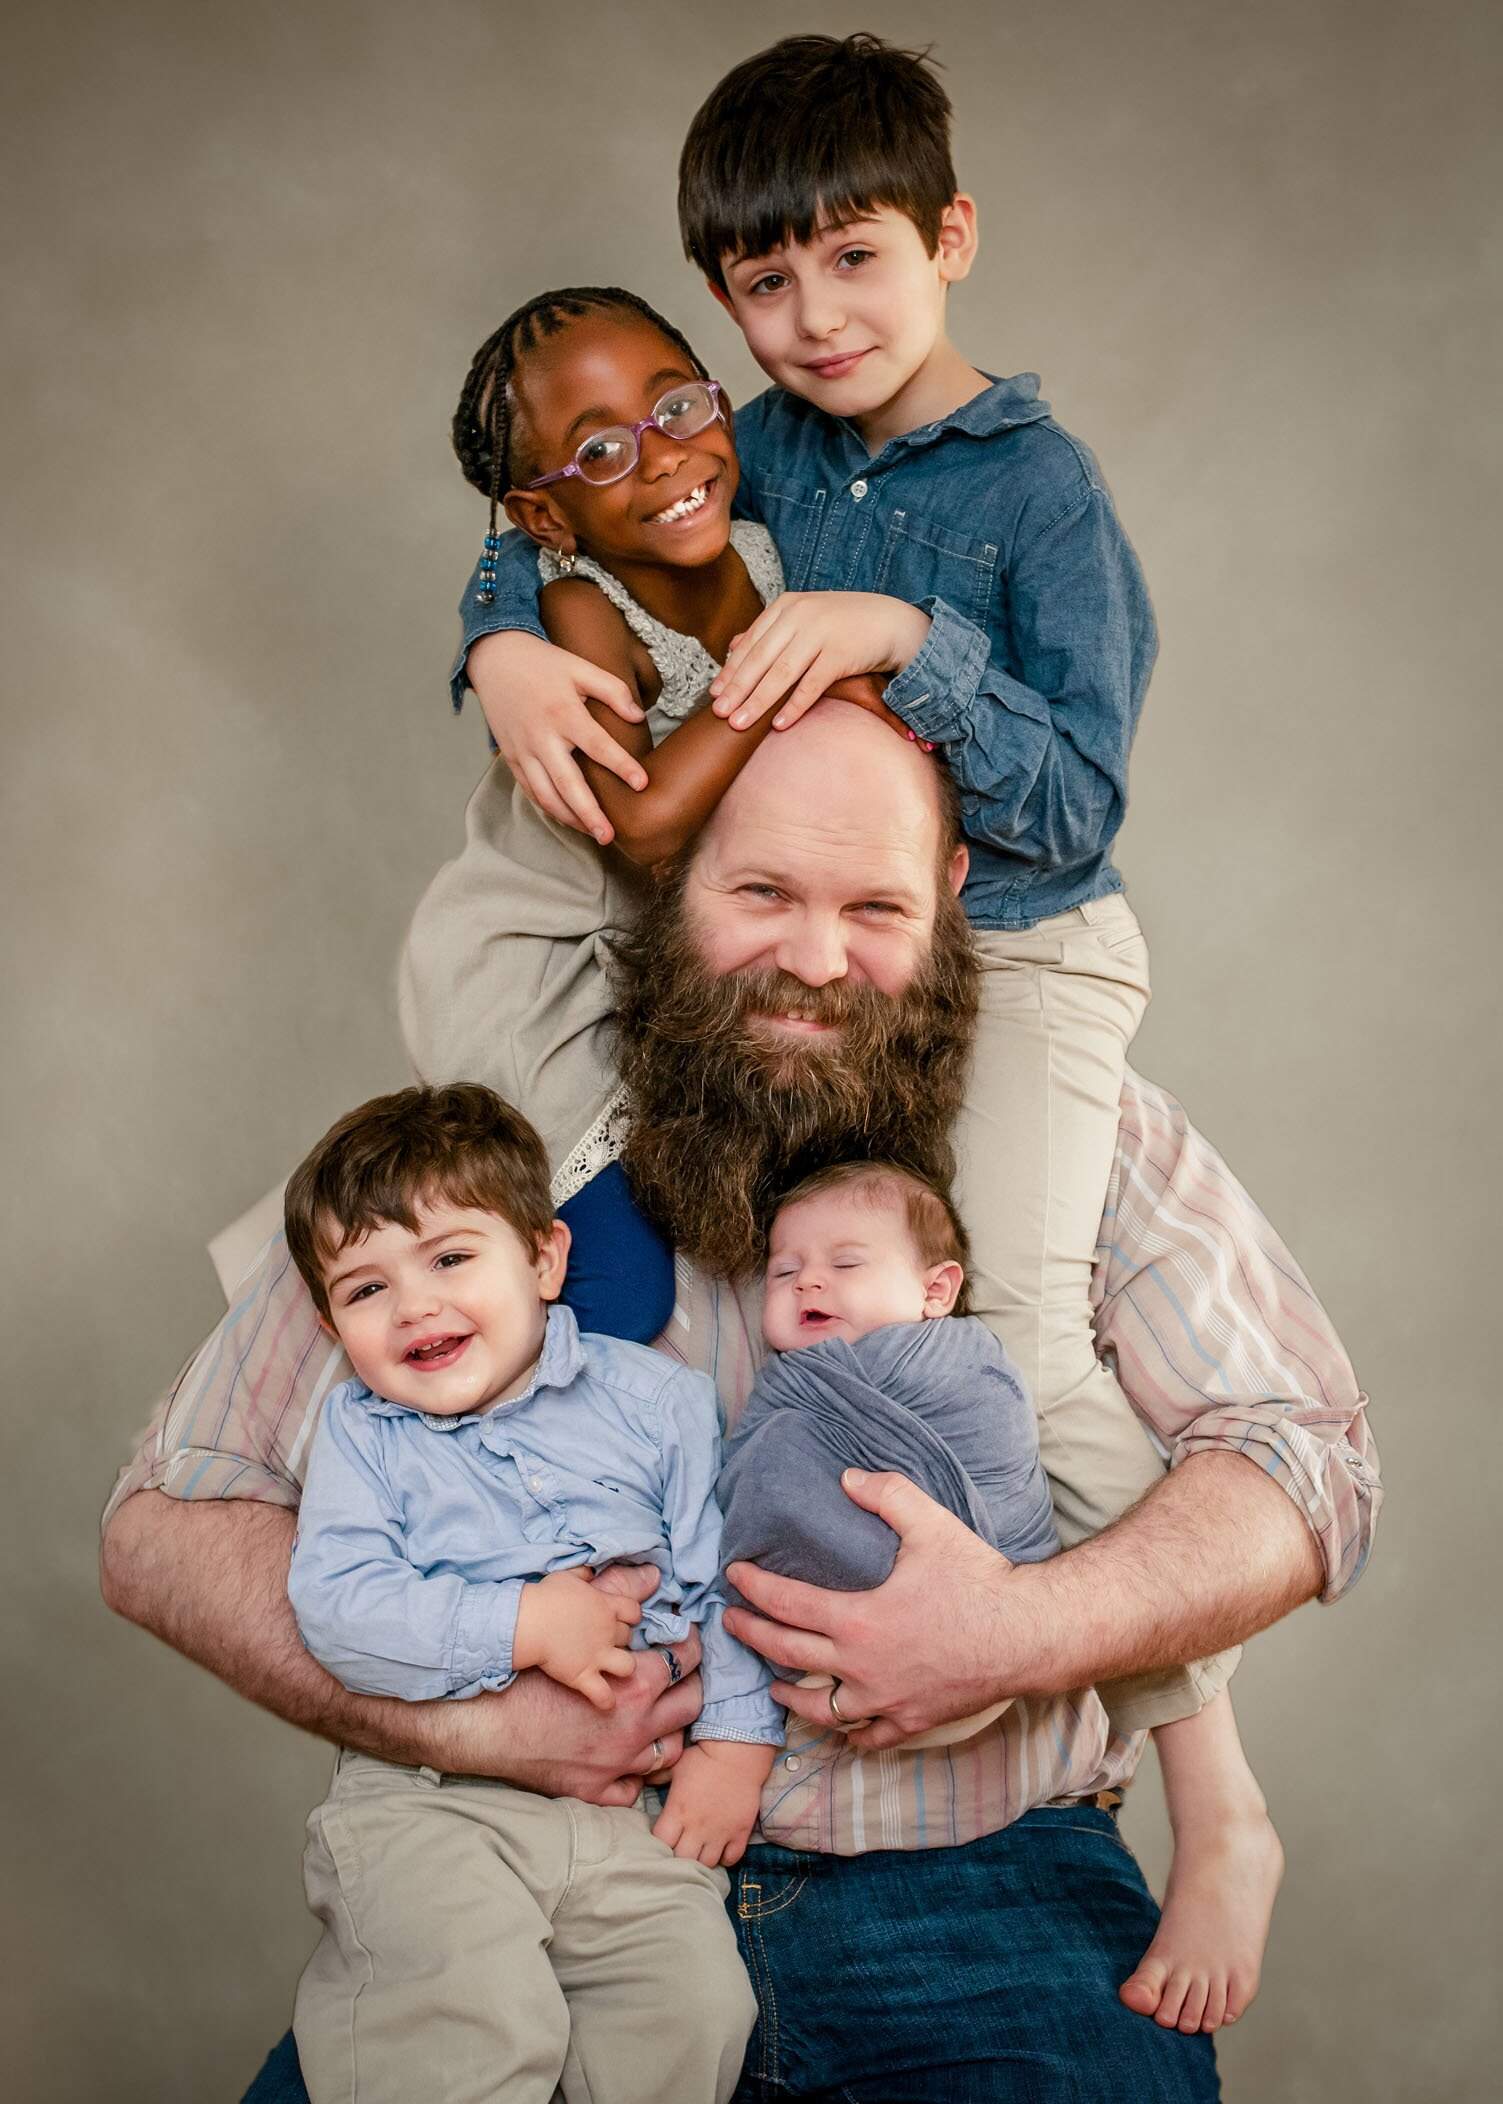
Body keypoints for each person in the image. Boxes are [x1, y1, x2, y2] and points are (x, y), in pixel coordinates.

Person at [102, 700, 1381, 2100]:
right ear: (668, 874)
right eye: (760, 891)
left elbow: (1302, 1463)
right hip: (541, 1867)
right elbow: (163, 1524)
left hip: (971, 1892)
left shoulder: (1066, 1130)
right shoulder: (501, 1147)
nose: (814, 962)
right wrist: (471, 1725)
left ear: (949, 894)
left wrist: (1021, 1630)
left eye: (874, 905)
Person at [439, 32, 1277, 2024]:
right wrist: (490, 623)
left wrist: (911, 643)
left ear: (949, 237)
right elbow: (591, 512)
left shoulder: (1040, 491)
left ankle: (1210, 1784)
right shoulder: (764, 443)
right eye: (761, 284)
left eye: (854, 264)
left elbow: (1071, 805)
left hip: (1027, 945)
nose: (809, 322)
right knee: (778, 1311)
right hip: (832, 967)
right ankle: (727, 1711)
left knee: (1027, 1350)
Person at [279, 1082, 779, 2104]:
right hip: (430, 1802)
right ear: (331, 1319)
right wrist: (522, 1622)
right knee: (467, 2019)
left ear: (545, 1260)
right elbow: (337, 1604)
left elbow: (721, 1578)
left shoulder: (656, 1401)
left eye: (452, 1258)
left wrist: (734, 1744)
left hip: (625, 1812)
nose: (414, 1306)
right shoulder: (363, 1435)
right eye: (364, 1289)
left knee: (695, 2003)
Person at [720, 1159, 1059, 1751]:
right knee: (775, 1460)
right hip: (811, 1647)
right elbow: (745, 1473)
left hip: (986, 1623)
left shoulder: (962, 1362)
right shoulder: (789, 1381)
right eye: (784, 1271)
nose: (807, 1282)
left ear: (935, 1291)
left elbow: (997, 1453)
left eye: (845, 1263)